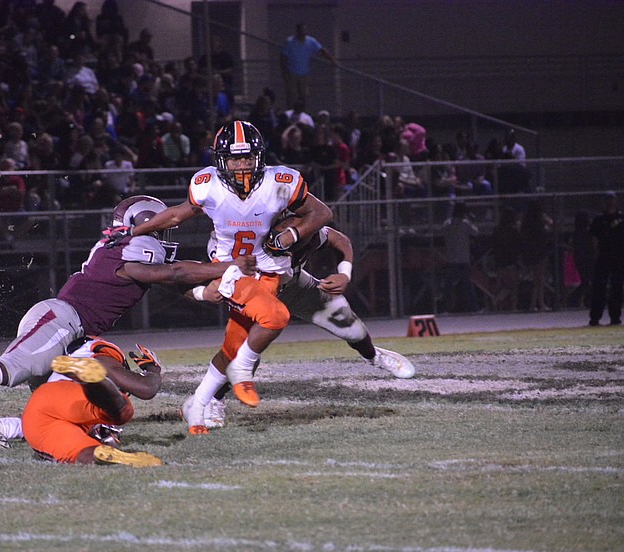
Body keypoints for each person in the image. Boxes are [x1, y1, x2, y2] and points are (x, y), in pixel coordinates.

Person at [0, 195, 257, 444]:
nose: (162, 236)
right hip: (63, 320)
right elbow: (173, 273)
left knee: (79, 405)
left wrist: (204, 293)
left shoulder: (126, 252)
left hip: (74, 332)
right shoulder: (131, 249)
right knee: (15, 366)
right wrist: (227, 266)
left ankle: (3, 427)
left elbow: (166, 280)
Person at [131, 120, 333, 419]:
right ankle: (227, 384)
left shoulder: (280, 181)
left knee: (237, 339)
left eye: (247, 157)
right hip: (227, 266)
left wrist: (294, 234)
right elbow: (175, 215)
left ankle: (201, 402)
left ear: (259, 157)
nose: (242, 165)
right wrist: (134, 232)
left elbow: (322, 213)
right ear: (221, 160)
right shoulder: (207, 185)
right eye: (235, 158)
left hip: (268, 267)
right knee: (270, 320)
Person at [187, 223, 416, 432]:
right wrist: (204, 292)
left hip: (295, 285)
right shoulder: (238, 234)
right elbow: (199, 273)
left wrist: (344, 274)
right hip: (254, 293)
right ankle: (215, 399)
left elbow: (340, 240)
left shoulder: (301, 229)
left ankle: (374, 356)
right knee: (241, 354)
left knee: (348, 323)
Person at [0, 337, 163, 468]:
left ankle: (2, 425)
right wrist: (153, 370)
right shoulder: (104, 353)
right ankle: (91, 381)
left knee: (87, 454)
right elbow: (146, 389)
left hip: (37, 417)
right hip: (64, 397)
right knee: (122, 412)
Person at [279, 23, 340, 110]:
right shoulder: (289, 42)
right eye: (301, 31)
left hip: (303, 72)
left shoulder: (310, 41)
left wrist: (332, 60)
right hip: (291, 72)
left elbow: (322, 50)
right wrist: (283, 72)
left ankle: (303, 112)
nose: (303, 33)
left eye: (304, 31)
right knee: (291, 95)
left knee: (304, 95)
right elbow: (283, 58)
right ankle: (291, 112)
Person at [588, 192, 624, 326]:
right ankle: (595, 317)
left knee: (617, 287)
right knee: (599, 286)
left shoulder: (621, 217)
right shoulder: (599, 219)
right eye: (608, 200)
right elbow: (593, 237)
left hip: (619, 256)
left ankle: (615, 317)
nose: (610, 202)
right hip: (603, 255)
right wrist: (595, 251)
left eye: (612, 199)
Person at [440, 202, 480, 313]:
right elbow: (476, 232)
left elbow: (442, 233)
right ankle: (473, 308)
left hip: (451, 258)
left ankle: (445, 308)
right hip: (463, 259)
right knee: (467, 285)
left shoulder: (447, 223)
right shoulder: (465, 223)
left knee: (448, 285)